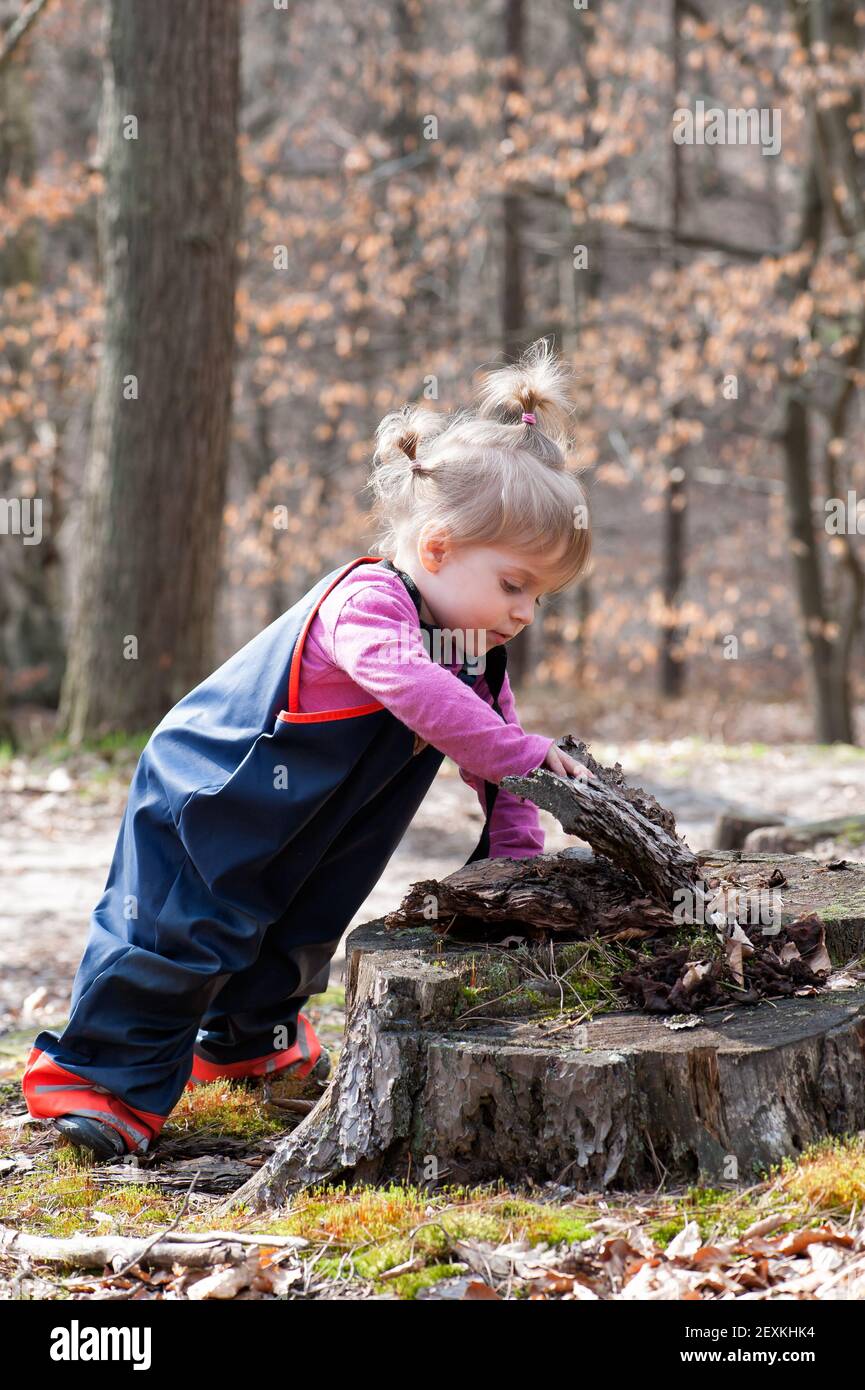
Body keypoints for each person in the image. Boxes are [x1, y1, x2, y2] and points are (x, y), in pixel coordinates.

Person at [21, 337, 595, 1160]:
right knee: (186, 930)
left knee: (300, 925)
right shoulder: (369, 604)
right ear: (435, 548)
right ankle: (97, 1078)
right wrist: (519, 753)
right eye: (513, 584)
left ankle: (246, 1040)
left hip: (320, 817)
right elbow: (419, 694)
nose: (525, 613)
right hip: (215, 790)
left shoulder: (470, 645)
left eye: (539, 595)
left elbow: (492, 752)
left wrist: (513, 849)